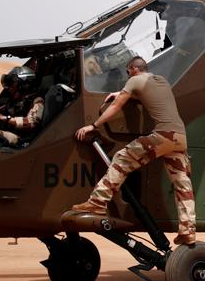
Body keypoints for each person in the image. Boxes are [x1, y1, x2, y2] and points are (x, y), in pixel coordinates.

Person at [69, 56, 196, 245]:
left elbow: (116, 106)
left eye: (128, 72)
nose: (127, 75)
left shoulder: (135, 80)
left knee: (122, 158)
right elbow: (146, 95)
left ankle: (97, 202)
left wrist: (93, 126)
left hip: (163, 135)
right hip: (180, 137)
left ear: (133, 70)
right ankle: (188, 230)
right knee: (182, 184)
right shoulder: (162, 81)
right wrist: (121, 91)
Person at [0, 66, 44, 146]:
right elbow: (1, 110)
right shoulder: (16, 100)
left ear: (25, 85)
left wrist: (5, 118)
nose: (10, 88)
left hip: (22, 140)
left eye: (13, 85)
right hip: (12, 132)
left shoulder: (37, 100)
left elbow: (31, 123)